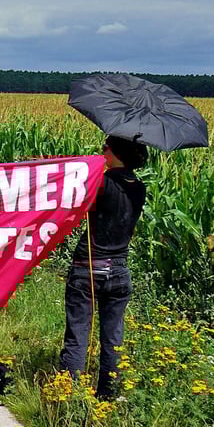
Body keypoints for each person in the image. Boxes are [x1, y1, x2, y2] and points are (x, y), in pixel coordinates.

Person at [59, 135, 148, 400]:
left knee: (78, 334)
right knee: (113, 337)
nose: (101, 152)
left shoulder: (101, 183)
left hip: (87, 267)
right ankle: (108, 395)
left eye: (104, 148)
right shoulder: (139, 187)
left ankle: (69, 396)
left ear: (115, 153)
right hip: (119, 270)